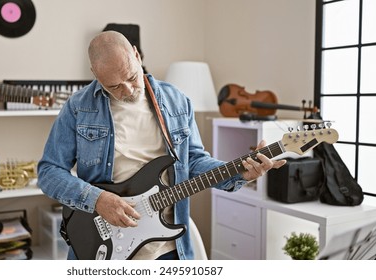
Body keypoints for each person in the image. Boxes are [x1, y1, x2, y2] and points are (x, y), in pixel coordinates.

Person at [37, 30, 286, 260]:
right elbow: (49, 172)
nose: (127, 90)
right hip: (101, 245)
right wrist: (98, 199)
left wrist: (240, 172)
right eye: (113, 86)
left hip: (167, 248)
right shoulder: (78, 107)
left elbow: (194, 161)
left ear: (136, 54)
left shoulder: (176, 101)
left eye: (132, 77)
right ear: (95, 73)